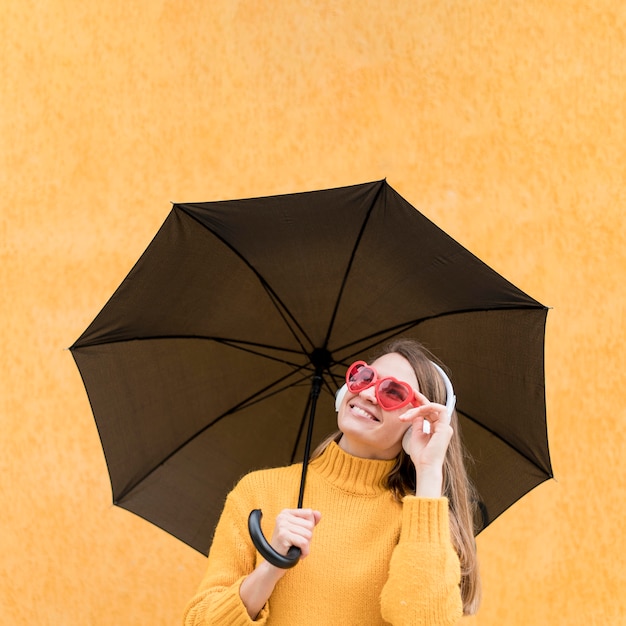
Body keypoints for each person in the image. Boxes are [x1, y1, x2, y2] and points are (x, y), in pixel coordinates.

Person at [183, 338, 481, 625]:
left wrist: (429, 472)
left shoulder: (420, 522)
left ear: (421, 422)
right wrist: (271, 567)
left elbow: (423, 620)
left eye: (392, 392)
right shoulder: (258, 492)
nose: (367, 394)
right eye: (364, 377)